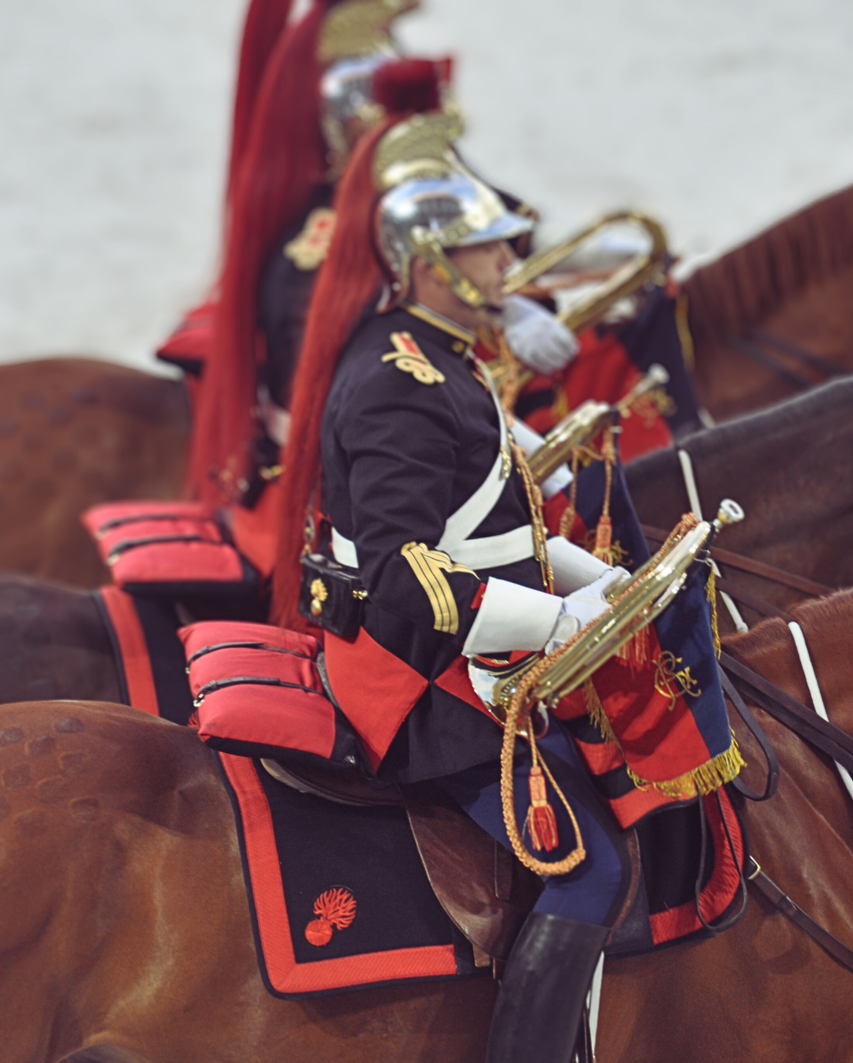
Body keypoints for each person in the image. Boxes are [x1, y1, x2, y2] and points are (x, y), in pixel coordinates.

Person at [273, 76, 632, 1063]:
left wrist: (594, 583)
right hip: (423, 682)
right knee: (592, 870)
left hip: (467, 643)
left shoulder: (441, 354)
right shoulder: (399, 383)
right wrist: (564, 627)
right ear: (432, 264)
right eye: (491, 249)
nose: (512, 262)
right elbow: (405, 584)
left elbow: (492, 523)